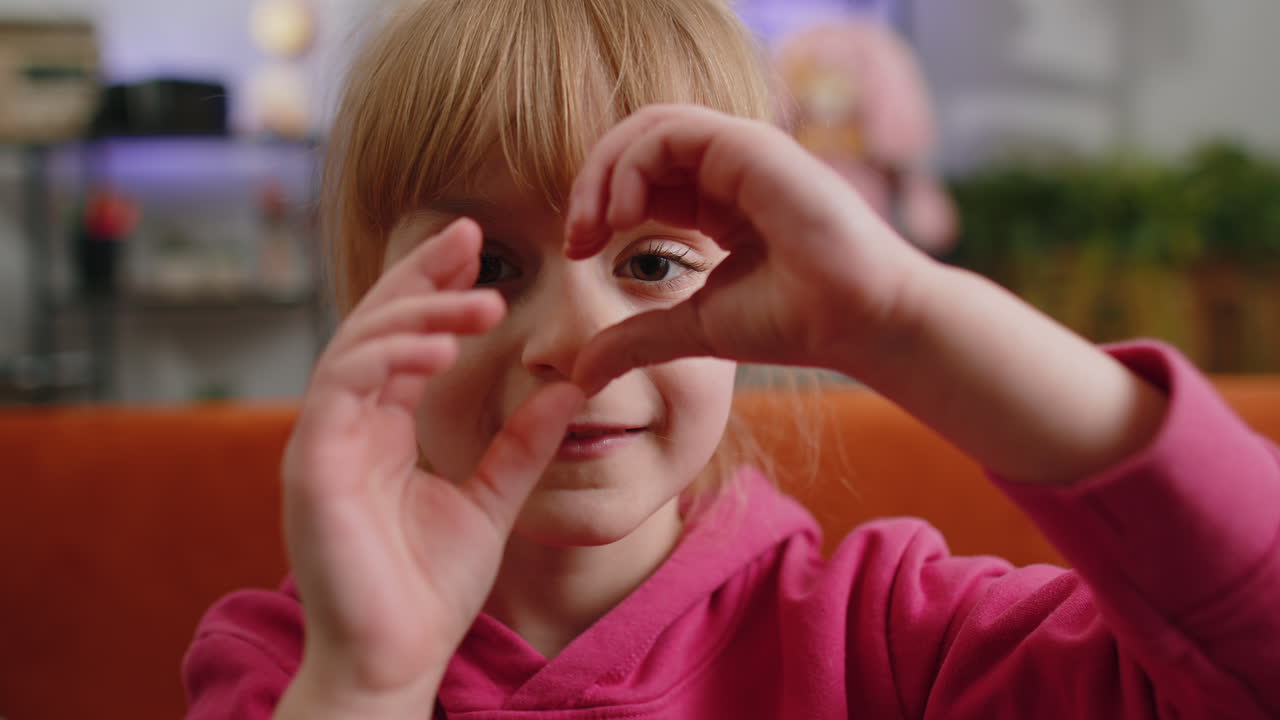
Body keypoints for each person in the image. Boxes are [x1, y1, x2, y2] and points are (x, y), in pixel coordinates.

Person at [182, 1, 1280, 718]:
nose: (572, 343)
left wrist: (904, 315)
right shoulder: (290, 663)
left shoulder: (884, 638)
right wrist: (366, 683)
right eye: (487, 267)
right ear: (365, 298)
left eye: (653, 262)